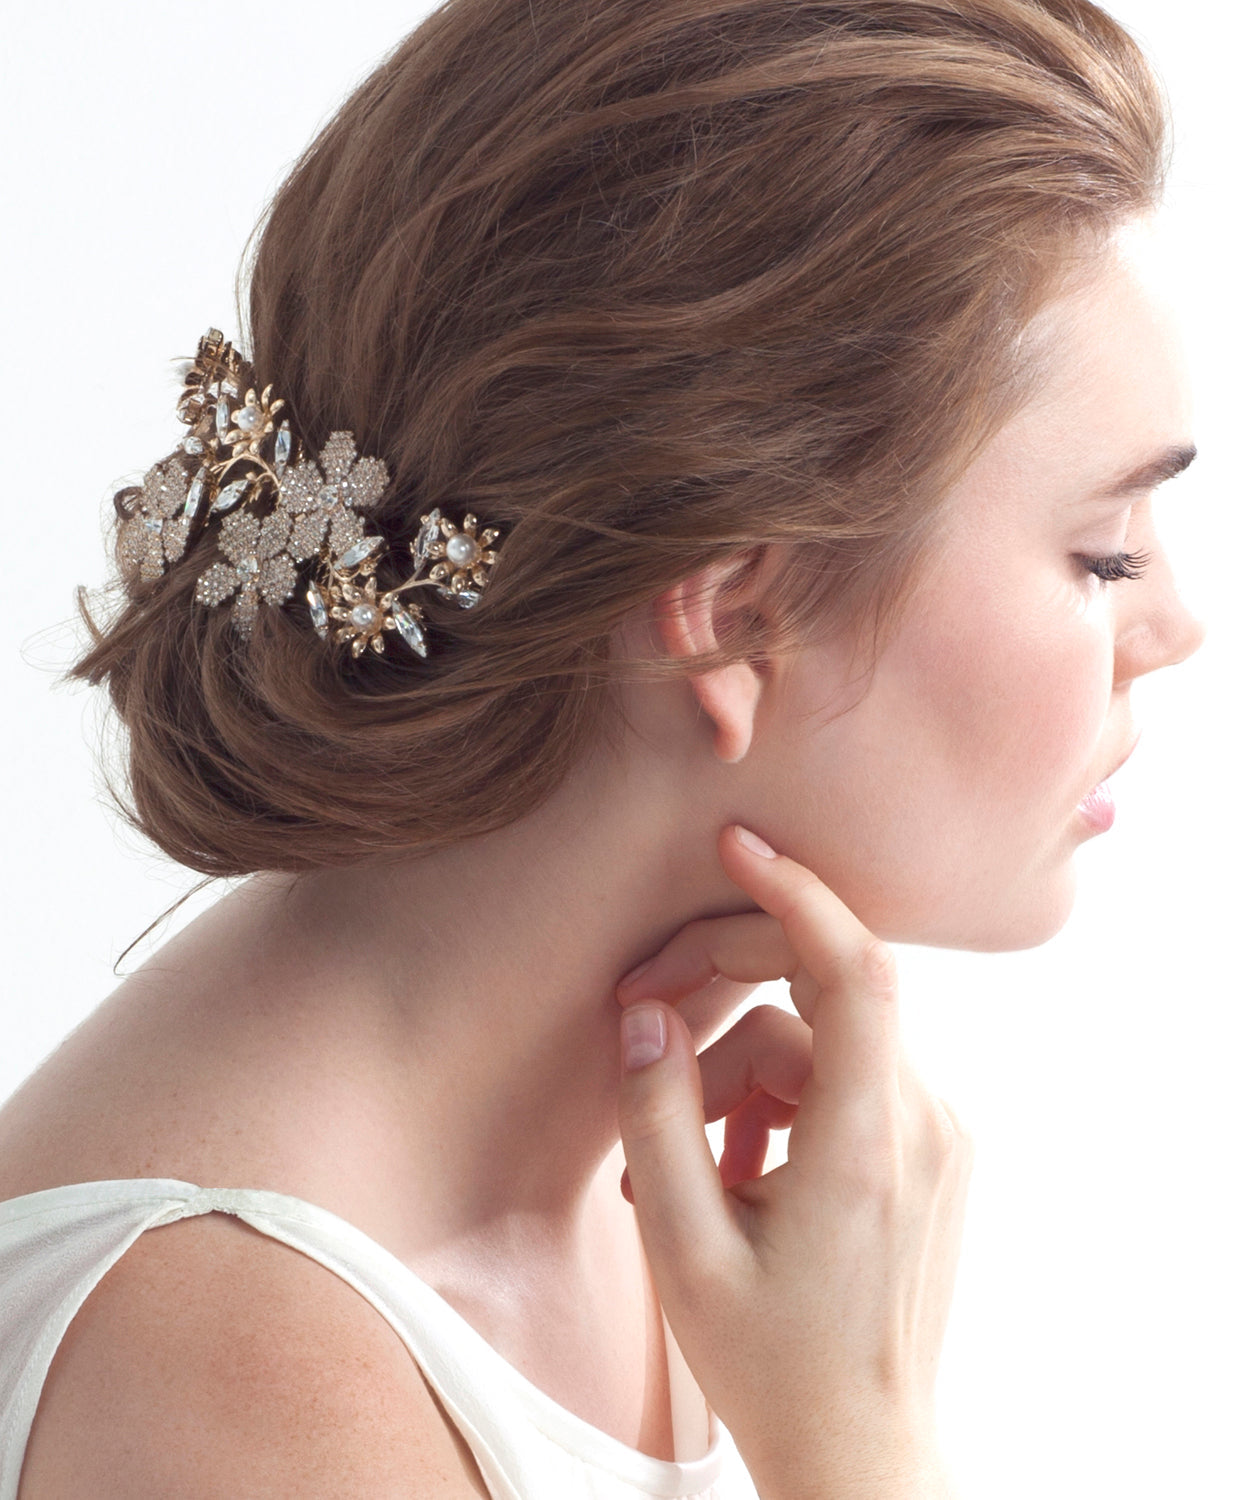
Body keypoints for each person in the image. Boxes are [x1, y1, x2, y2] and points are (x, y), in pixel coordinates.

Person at [0, 0, 1204, 1495]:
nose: (1177, 628)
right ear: (730, 624)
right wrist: (858, 1448)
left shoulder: (678, 1205)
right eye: (1101, 554)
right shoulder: (248, 1387)